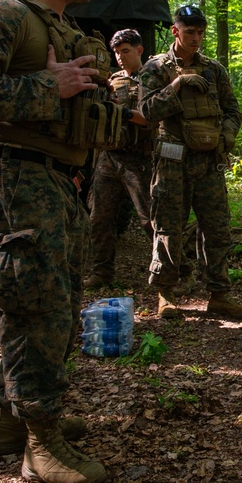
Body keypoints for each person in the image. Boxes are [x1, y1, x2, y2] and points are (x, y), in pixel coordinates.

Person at [0, 0, 146, 483]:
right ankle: (40, 443)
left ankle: (18, 419)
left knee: (48, 302)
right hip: (14, 180)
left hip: (54, 180)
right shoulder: (0, 15)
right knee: (39, 308)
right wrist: (46, 87)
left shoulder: (57, 26)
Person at [137, 5, 242, 320]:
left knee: (216, 229)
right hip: (172, 162)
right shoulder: (156, 68)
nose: (196, 38)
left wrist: (223, 139)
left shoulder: (214, 69)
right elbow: (146, 111)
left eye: (201, 32)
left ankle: (219, 294)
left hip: (209, 161)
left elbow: (233, 110)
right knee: (168, 228)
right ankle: (165, 294)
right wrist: (177, 85)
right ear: (175, 31)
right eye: (190, 32)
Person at [84, 29, 155, 289]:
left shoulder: (153, 78)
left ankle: (173, 271)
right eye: (116, 52)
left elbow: (152, 117)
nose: (120, 56)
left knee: (150, 219)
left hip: (139, 158)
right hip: (110, 156)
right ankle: (101, 272)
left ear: (139, 50)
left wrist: (122, 112)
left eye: (125, 51)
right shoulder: (112, 80)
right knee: (100, 217)